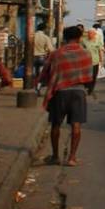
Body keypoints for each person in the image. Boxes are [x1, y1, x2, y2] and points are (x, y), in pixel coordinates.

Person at [37, 26, 94, 166]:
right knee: (76, 125)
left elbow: (45, 72)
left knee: (56, 124)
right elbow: (89, 76)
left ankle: (55, 156)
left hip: (60, 92)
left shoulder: (56, 54)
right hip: (79, 92)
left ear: (65, 38)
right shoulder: (86, 53)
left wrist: (45, 82)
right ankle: (72, 158)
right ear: (80, 38)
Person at [83, 23, 105, 98]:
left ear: (94, 34)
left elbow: (100, 51)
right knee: (87, 76)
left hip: (95, 61)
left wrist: (101, 61)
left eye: (92, 34)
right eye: (89, 33)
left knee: (93, 76)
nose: (90, 35)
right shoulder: (84, 41)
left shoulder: (97, 41)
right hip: (86, 61)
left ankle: (90, 89)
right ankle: (87, 86)